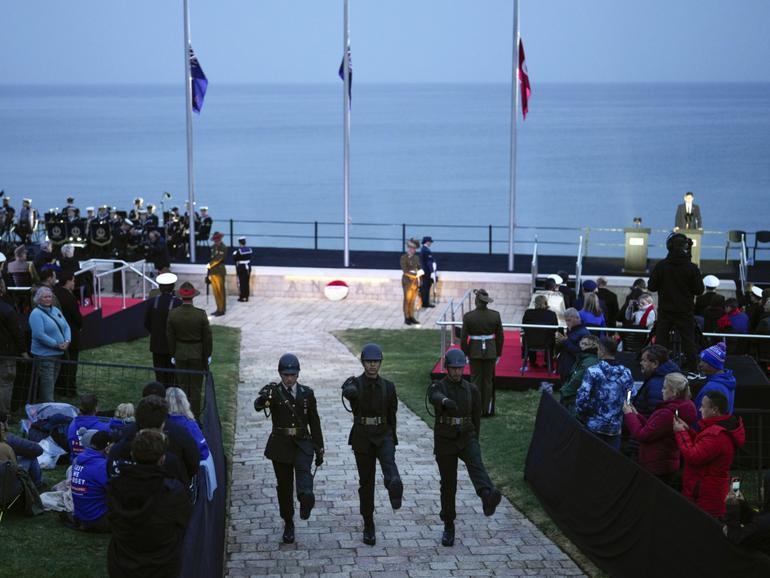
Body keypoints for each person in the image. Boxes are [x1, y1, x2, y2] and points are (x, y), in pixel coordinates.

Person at [427, 348, 502, 547]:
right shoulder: (439, 386)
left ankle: (487, 496)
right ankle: (448, 525)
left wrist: (474, 439)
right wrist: (444, 401)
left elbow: (476, 417)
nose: (457, 373)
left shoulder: (472, 389)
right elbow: (433, 396)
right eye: (453, 369)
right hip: (445, 439)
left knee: (476, 464)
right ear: (447, 368)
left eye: (460, 369)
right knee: (448, 484)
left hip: (467, 435)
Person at [253, 354, 324, 544]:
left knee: (303, 474)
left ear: (298, 374)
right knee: (284, 487)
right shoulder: (274, 392)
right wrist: (263, 398)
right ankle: (288, 521)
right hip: (281, 445)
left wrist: (320, 448)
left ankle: (305, 498)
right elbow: (258, 406)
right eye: (286, 374)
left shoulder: (307, 393)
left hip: (302, 442)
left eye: (293, 374)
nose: (289, 378)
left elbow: (314, 422)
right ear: (280, 374)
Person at [107, 429, 193, 578]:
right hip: (162, 563)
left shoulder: (114, 487)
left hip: (124, 562)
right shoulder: (173, 492)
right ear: (162, 459)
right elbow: (184, 521)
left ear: (133, 455)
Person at [340, 343, 403, 546]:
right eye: (369, 362)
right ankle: (368, 522)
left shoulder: (388, 387)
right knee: (366, 482)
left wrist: (393, 438)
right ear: (363, 363)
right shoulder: (355, 384)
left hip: (383, 433)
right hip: (363, 436)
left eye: (375, 362)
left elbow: (392, 414)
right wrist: (350, 392)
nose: (372, 366)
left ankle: (394, 486)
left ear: (380, 363)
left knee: (389, 465)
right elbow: (349, 393)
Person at [674, 390, 745, 518]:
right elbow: (705, 448)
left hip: (706, 496)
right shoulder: (717, 430)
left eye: (703, 406)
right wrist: (688, 431)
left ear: (714, 410)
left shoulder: (716, 435)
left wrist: (680, 433)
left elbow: (694, 456)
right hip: (707, 492)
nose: (700, 409)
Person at [623, 372, 697, 487]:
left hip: (656, 465)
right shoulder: (682, 408)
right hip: (667, 461)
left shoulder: (667, 413)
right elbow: (654, 429)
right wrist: (636, 415)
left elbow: (643, 435)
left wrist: (629, 415)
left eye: (664, 388)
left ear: (673, 392)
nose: (662, 390)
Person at [108, 393, 199, 485]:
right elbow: (193, 465)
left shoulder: (120, 443)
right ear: (163, 424)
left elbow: (110, 474)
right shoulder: (171, 461)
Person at [648, 233, 704, 371]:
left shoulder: (662, 266)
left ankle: (658, 366)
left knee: (661, 342)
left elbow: (651, 287)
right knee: (689, 342)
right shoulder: (692, 267)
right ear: (685, 247)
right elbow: (699, 290)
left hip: (666, 312)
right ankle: (692, 369)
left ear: (669, 247)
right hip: (685, 311)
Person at [575, 337, 633, 450]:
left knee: (591, 462)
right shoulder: (626, 373)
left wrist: (583, 415)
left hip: (593, 426)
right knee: (611, 464)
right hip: (615, 428)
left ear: (601, 350)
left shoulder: (593, 371)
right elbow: (630, 395)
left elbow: (582, 397)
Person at [167, 281, 212, 416]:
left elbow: (170, 337)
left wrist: (173, 354)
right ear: (193, 297)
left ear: (181, 297)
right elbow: (207, 337)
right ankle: (195, 417)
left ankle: (182, 415)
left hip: (180, 353)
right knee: (196, 388)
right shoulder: (200, 314)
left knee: (182, 387)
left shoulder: (173, 314)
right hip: (197, 354)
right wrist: (207, 354)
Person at [461, 289, 504, 417]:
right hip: (490, 351)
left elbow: (463, 338)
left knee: (475, 380)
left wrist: (466, 353)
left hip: (474, 351)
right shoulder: (495, 315)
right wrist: (498, 352)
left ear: (476, 301)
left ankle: (476, 409)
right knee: (488, 381)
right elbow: (500, 337)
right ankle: (487, 409)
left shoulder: (469, 317)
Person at [29, 286, 70, 402]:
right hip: (45, 355)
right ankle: (48, 409)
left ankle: (48, 406)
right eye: (45, 297)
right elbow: (39, 334)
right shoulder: (36, 314)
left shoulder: (56, 310)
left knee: (52, 382)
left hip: (58, 353)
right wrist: (56, 344)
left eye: (50, 296)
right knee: (47, 384)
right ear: (38, 299)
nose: (48, 299)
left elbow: (66, 327)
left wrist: (67, 341)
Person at [144, 272, 182, 387]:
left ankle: (160, 399)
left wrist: (156, 334)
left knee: (160, 376)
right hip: (172, 347)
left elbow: (147, 323)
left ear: (160, 287)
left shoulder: (152, 302)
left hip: (157, 346)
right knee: (172, 377)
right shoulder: (178, 303)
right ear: (173, 286)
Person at [70, 430, 111, 532]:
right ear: (107, 448)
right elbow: (117, 491)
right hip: (97, 519)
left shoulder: (79, 459)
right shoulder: (102, 466)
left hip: (81, 515)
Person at [723, 472, 770, 555]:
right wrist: (742, 505)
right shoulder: (765, 518)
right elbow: (756, 519)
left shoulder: (763, 524)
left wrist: (731, 506)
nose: (761, 489)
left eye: (763, 486)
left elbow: (735, 537)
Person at [53, 272, 82, 397]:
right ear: (68, 281)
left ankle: (60, 387)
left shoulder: (56, 294)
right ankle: (69, 388)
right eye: (73, 281)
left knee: (62, 361)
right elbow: (77, 317)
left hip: (58, 332)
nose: (74, 283)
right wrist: (80, 325)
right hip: (70, 334)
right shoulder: (69, 297)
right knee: (71, 362)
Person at [0, 282, 26, 415]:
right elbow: (17, 332)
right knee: (5, 384)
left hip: (5, 352)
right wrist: (23, 351)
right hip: (6, 354)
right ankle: (3, 417)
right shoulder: (7, 309)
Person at [632, 345, 680, 417]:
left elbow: (656, 416)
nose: (641, 363)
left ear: (655, 364)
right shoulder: (659, 378)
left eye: (644, 360)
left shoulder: (657, 385)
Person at [559, 335, 600, 415]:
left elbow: (577, 380)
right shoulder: (582, 357)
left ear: (593, 346)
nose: (582, 346)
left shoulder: (589, 361)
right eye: (582, 343)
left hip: (576, 400)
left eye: (586, 344)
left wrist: (564, 392)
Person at [693, 342, 737, 416]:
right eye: (701, 361)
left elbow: (699, 414)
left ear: (714, 364)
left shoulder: (712, 387)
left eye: (704, 362)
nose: (700, 364)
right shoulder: (728, 380)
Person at [166, 387, 209, 461]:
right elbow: (203, 452)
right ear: (185, 402)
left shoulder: (161, 423)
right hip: (186, 467)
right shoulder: (190, 425)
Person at [66, 394, 111, 461]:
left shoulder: (72, 424)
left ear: (79, 409)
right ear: (96, 408)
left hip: (76, 462)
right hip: (97, 463)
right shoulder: (105, 428)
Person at [520, 294, 558, 368]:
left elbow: (524, 326)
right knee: (551, 337)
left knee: (528, 335)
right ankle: (548, 362)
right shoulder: (551, 314)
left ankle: (532, 361)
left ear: (535, 303)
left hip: (530, 341)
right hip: (546, 341)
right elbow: (555, 328)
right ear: (546, 303)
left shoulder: (528, 313)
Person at [555, 308, 590, 380]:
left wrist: (565, 341)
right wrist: (560, 342)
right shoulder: (572, 330)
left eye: (569, 320)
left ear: (577, 318)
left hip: (573, 368)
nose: (567, 323)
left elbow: (580, 352)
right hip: (567, 366)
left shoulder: (584, 333)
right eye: (566, 320)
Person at [399, 238, 422, 325]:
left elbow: (419, 268)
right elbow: (405, 270)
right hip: (407, 282)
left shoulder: (416, 257)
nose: (414, 250)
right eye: (412, 248)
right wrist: (415, 274)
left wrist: (420, 278)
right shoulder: (403, 258)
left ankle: (412, 317)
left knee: (412, 300)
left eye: (415, 248)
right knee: (407, 300)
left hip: (415, 283)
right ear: (409, 248)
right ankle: (407, 318)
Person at [207, 231, 227, 316]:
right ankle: (218, 308)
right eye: (215, 240)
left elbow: (219, 258)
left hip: (219, 271)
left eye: (217, 239)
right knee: (215, 291)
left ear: (220, 239)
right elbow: (211, 258)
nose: (216, 241)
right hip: (212, 272)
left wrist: (209, 265)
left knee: (220, 291)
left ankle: (222, 309)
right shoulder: (213, 247)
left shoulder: (223, 247)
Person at [233, 236, 252, 302]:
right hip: (248, 267)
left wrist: (234, 255)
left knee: (242, 282)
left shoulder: (239, 250)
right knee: (246, 282)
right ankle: (246, 296)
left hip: (241, 267)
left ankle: (242, 296)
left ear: (240, 243)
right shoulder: (249, 249)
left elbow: (236, 258)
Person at [419, 236, 436, 308]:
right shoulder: (426, 251)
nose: (431, 243)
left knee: (424, 287)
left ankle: (424, 302)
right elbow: (429, 262)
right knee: (426, 287)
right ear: (427, 242)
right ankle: (426, 303)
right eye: (430, 242)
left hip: (423, 271)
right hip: (426, 272)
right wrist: (432, 272)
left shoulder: (423, 249)